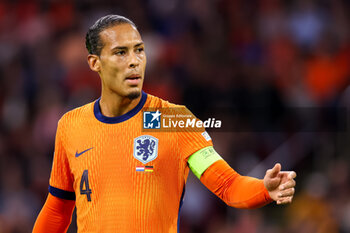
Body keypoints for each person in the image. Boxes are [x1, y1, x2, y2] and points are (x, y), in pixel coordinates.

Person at [32, 15, 296, 233]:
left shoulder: (174, 120)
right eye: (120, 53)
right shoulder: (71, 125)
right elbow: (58, 208)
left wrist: (263, 188)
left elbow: (228, 185)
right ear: (95, 63)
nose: (134, 61)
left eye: (139, 50)